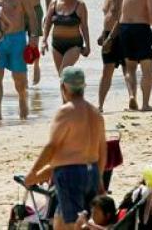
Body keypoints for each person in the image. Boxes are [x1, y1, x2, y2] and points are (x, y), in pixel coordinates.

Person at [25, 67, 106, 230]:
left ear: (63, 87)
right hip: (93, 171)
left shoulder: (65, 111)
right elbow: (102, 151)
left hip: (71, 174)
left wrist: (33, 173)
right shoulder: (95, 113)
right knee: (62, 218)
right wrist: (100, 178)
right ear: (84, 86)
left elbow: (51, 146)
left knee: (73, 223)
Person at [0, 0, 37, 121]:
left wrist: (33, 36)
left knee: (18, 77)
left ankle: (22, 100)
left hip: (17, 39)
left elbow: (31, 16)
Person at [118, 0, 152, 111]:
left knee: (130, 68)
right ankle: (145, 104)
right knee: (147, 68)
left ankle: (131, 96)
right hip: (141, 28)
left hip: (124, 28)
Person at [43, 0, 91, 76]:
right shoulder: (54, 3)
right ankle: (74, 90)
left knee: (63, 73)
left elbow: (84, 27)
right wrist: (44, 41)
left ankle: (76, 88)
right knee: (62, 77)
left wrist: (88, 46)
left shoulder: (80, 5)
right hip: (56, 45)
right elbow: (47, 23)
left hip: (74, 45)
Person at [97, 0, 125, 113]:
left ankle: (133, 98)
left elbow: (119, 19)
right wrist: (103, 35)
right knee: (106, 71)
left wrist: (109, 38)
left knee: (128, 68)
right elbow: (107, 17)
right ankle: (100, 105)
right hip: (107, 34)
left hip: (120, 35)